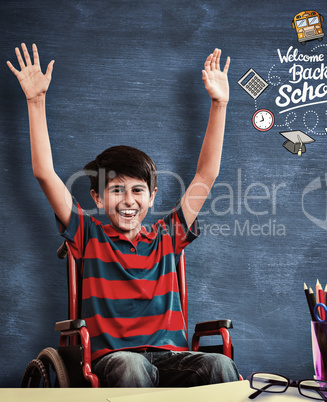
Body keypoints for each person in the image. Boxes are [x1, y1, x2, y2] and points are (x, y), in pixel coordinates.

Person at [7, 44, 239, 387]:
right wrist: (35, 101)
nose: (128, 200)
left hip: (171, 356)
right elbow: (44, 173)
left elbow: (205, 176)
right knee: (132, 367)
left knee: (219, 364)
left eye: (137, 190)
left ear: (152, 196)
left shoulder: (167, 234)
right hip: (115, 359)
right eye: (116, 190)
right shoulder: (88, 233)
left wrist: (219, 104)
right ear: (98, 197)